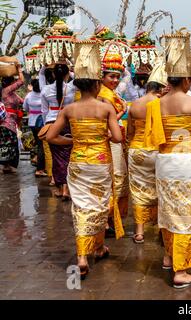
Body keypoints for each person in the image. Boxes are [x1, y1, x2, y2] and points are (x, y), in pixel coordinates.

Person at [46, 41, 123, 279]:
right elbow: (118, 138)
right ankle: (97, 247)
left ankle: (83, 255)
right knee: (100, 206)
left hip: (78, 162)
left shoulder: (69, 109)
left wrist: (73, 141)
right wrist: (103, 136)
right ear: (98, 84)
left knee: (80, 206)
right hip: (100, 161)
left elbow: (51, 136)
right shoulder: (106, 108)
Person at [153, 29, 191, 288]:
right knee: (188, 214)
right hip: (188, 162)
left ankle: (169, 256)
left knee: (168, 211)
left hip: (165, 162)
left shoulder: (158, 103)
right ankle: (181, 270)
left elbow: (154, 137)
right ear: (188, 79)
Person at [128, 57, 167, 244]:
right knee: (160, 188)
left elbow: (130, 132)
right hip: (157, 150)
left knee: (138, 190)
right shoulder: (162, 104)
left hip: (137, 150)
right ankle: (161, 228)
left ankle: (139, 232)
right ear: (161, 88)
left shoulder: (135, 104)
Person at [97, 50, 129, 236]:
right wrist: (120, 112)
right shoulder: (103, 95)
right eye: (111, 76)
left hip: (116, 139)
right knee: (114, 178)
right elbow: (105, 122)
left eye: (117, 77)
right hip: (109, 140)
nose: (115, 80)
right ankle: (108, 220)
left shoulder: (109, 92)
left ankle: (110, 219)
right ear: (101, 77)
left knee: (117, 178)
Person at [41, 62, 75, 200]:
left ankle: (62, 188)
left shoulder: (46, 89)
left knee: (57, 158)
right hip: (67, 123)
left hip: (51, 123)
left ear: (53, 74)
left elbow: (44, 111)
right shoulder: (72, 88)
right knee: (68, 156)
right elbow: (77, 76)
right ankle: (67, 188)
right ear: (67, 74)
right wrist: (70, 68)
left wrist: (47, 125)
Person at [0, 63, 24, 173]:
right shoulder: (6, 91)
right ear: (11, 82)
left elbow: (23, 102)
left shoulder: (11, 93)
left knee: (10, 144)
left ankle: (7, 165)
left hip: (12, 122)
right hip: (6, 122)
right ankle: (6, 165)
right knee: (8, 144)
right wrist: (19, 69)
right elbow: (21, 81)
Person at [23, 79, 46, 177]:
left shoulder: (28, 96)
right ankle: (40, 169)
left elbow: (25, 108)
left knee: (37, 142)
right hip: (41, 122)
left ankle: (36, 159)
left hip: (32, 121)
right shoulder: (44, 94)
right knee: (41, 145)